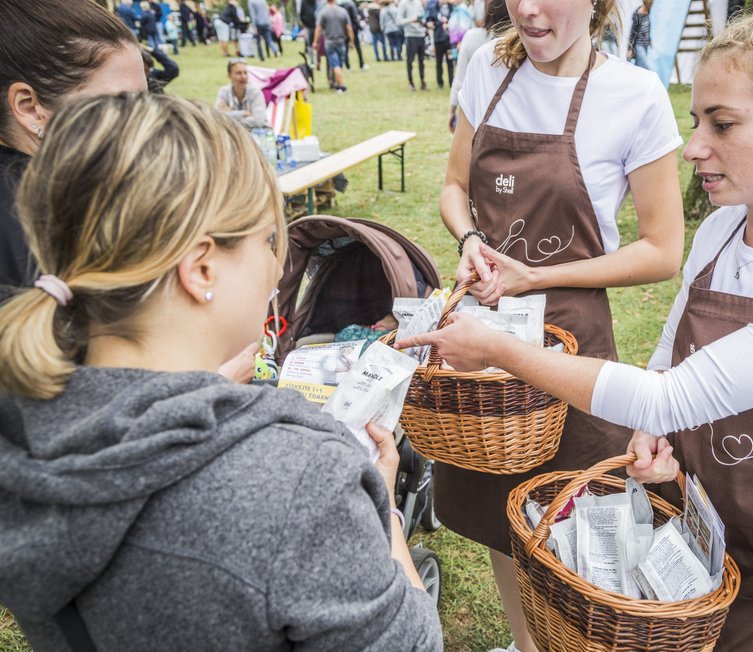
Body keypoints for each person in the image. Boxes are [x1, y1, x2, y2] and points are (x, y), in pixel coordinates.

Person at [405, 8, 753, 651]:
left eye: (721, 124)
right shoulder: (725, 228)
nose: (694, 146)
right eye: (697, 121)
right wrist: (652, 436)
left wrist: (498, 347)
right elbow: (669, 363)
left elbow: (668, 395)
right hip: (687, 531)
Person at [0, 92, 443, 651]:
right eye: (268, 239)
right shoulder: (300, 482)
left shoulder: (25, 431)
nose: (278, 266)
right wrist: (387, 527)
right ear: (202, 266)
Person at [432, 0, 685, 648]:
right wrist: (469, 240)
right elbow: (454, 185)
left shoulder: (634, 96)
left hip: (572, 339)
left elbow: (662, 250)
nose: (526, 8)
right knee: (496, 511)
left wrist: (536, 276)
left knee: (570, 514)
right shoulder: (486, 66)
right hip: (485, 336)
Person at [0, 0, 147, 292]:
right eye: (119, 107)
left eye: (145, 103)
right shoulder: (46, 227)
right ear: (30, 108)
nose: (144, 125)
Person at [448, 0, 505, 132]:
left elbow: (459, 81)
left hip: (475, 116)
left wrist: (452, 110)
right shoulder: (523, 45)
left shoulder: (472, 37)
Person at [314, 0, 355, 93]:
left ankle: (341, 86)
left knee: (335, 65)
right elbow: (349, 28)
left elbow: (318, 28)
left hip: (329, 42)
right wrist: (351, 41)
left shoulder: (323, 12)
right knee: (339, 65)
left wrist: (315, 42)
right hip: (342, 42)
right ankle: (339, 84)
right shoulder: (343, 11)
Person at [215, 58, 269, 127]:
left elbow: (258, 121)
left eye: (245, 73)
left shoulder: (255, 93)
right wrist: (244, 113)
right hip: (232, 134)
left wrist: (229, 115)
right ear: (229, 75)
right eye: (238, 73)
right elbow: (217, 117)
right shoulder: (224, 92)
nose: (243, 77)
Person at [398, 0, 429, 90]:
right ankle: (411, 83)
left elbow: (422, 16)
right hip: (410, 35)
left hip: (421, 34)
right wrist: (411, 20)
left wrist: (423, 21)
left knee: (422, 61)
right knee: (410, 61)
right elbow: (399, 21)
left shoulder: (418, 2)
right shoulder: (403, 3)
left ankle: (422, 81)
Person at [427, 0, 454, 89]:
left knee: (450, 63)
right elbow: (429, 19)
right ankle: (440, 83)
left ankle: (451, 82)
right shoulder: (434, 7)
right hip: (438, 40)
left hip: (450, 40)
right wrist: (431, 23)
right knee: (438, 62)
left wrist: (448, 22)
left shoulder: (452, 8)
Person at [627, 0, 651, 69]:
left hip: (645, 44)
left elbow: (647, 27)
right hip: (639, 44)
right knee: (644, 67)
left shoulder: (648, 11)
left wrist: (649, 39)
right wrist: (630, 48)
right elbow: (633, 32)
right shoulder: (639, 14)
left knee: (639, 67)